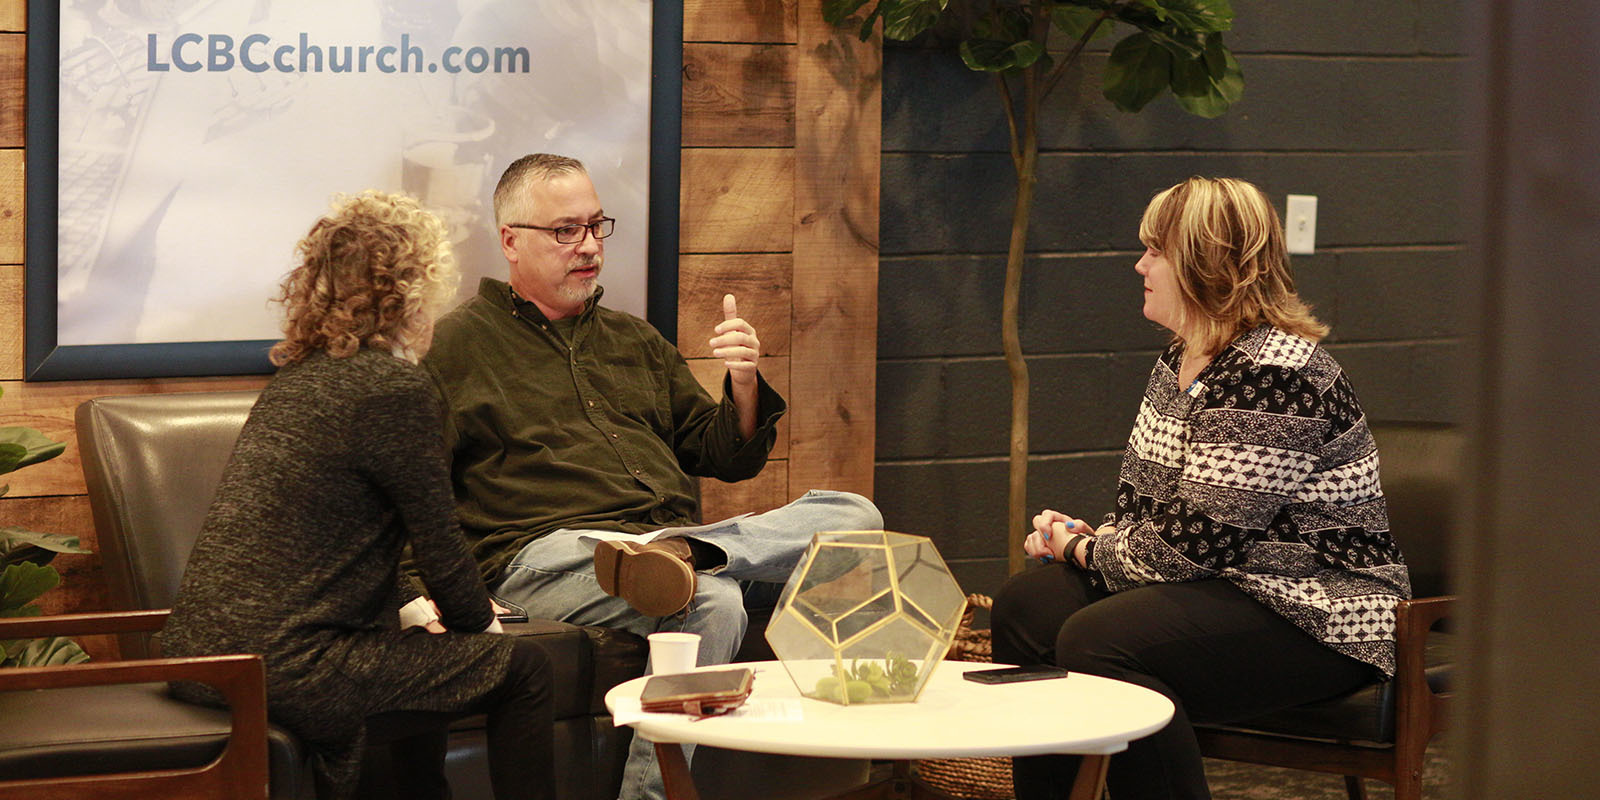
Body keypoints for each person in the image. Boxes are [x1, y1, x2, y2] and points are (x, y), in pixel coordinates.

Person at [420, 153, 883, 800]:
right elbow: (416, 486)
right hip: (543, 556)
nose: (587, 246)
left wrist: (743, 386)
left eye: (595, 226)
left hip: (662, 542)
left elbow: (721, 454)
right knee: (712, 600)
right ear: (510, 241)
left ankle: (685, 555)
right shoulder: (458, 346)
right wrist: (424, 593)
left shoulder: (632, 340)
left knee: (856, 517)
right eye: (565, 231)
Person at [990, 177, 1411, 800]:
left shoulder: (1274, 374)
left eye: (1155, 251)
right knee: (1028, 608)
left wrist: (1076, 549)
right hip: (1225, 584)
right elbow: (1157, 516)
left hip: (1320, 609)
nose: (1140, 265)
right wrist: (1094, 538)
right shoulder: (1181, 358)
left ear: (1205, 264)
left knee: (1099, 640)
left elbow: (1190, 550)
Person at [162, 192, 554, 800]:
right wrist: (482, 628)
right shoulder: (394, 388)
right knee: (524, 670)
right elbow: (440, 547)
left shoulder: (301, 376)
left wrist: (420, 608)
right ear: (410, 293)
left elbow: (337, 541)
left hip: (205, 660)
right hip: (287, 667)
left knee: (427, 646)